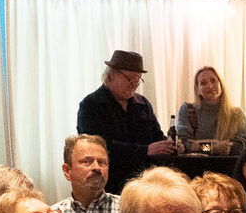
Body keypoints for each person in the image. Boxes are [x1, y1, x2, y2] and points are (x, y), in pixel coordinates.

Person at [74, 49, 177, 192]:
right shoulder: (91, 105)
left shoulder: (143, 103)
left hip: (144, 184)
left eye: (138, 79)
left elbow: (157, 137)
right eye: (130, 79)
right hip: (109, 185)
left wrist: (170, 146)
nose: (134, 84)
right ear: (111, 75)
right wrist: (145, 151)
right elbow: (97, 147)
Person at [55, 134, 122, 213]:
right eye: (86, 161)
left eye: (101, 162)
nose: (96, 167)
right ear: (67, 171)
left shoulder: (127, 209)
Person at [173, 65, 246, 153]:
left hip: (228, 161)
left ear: (221, 85)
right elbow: (184, 143)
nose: (210, 86)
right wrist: (212, 148)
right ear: (197, 90)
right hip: (195, 161)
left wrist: (227, 147)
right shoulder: (188, 110)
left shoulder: (236, 113)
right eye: (203, 83)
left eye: (213, 81)